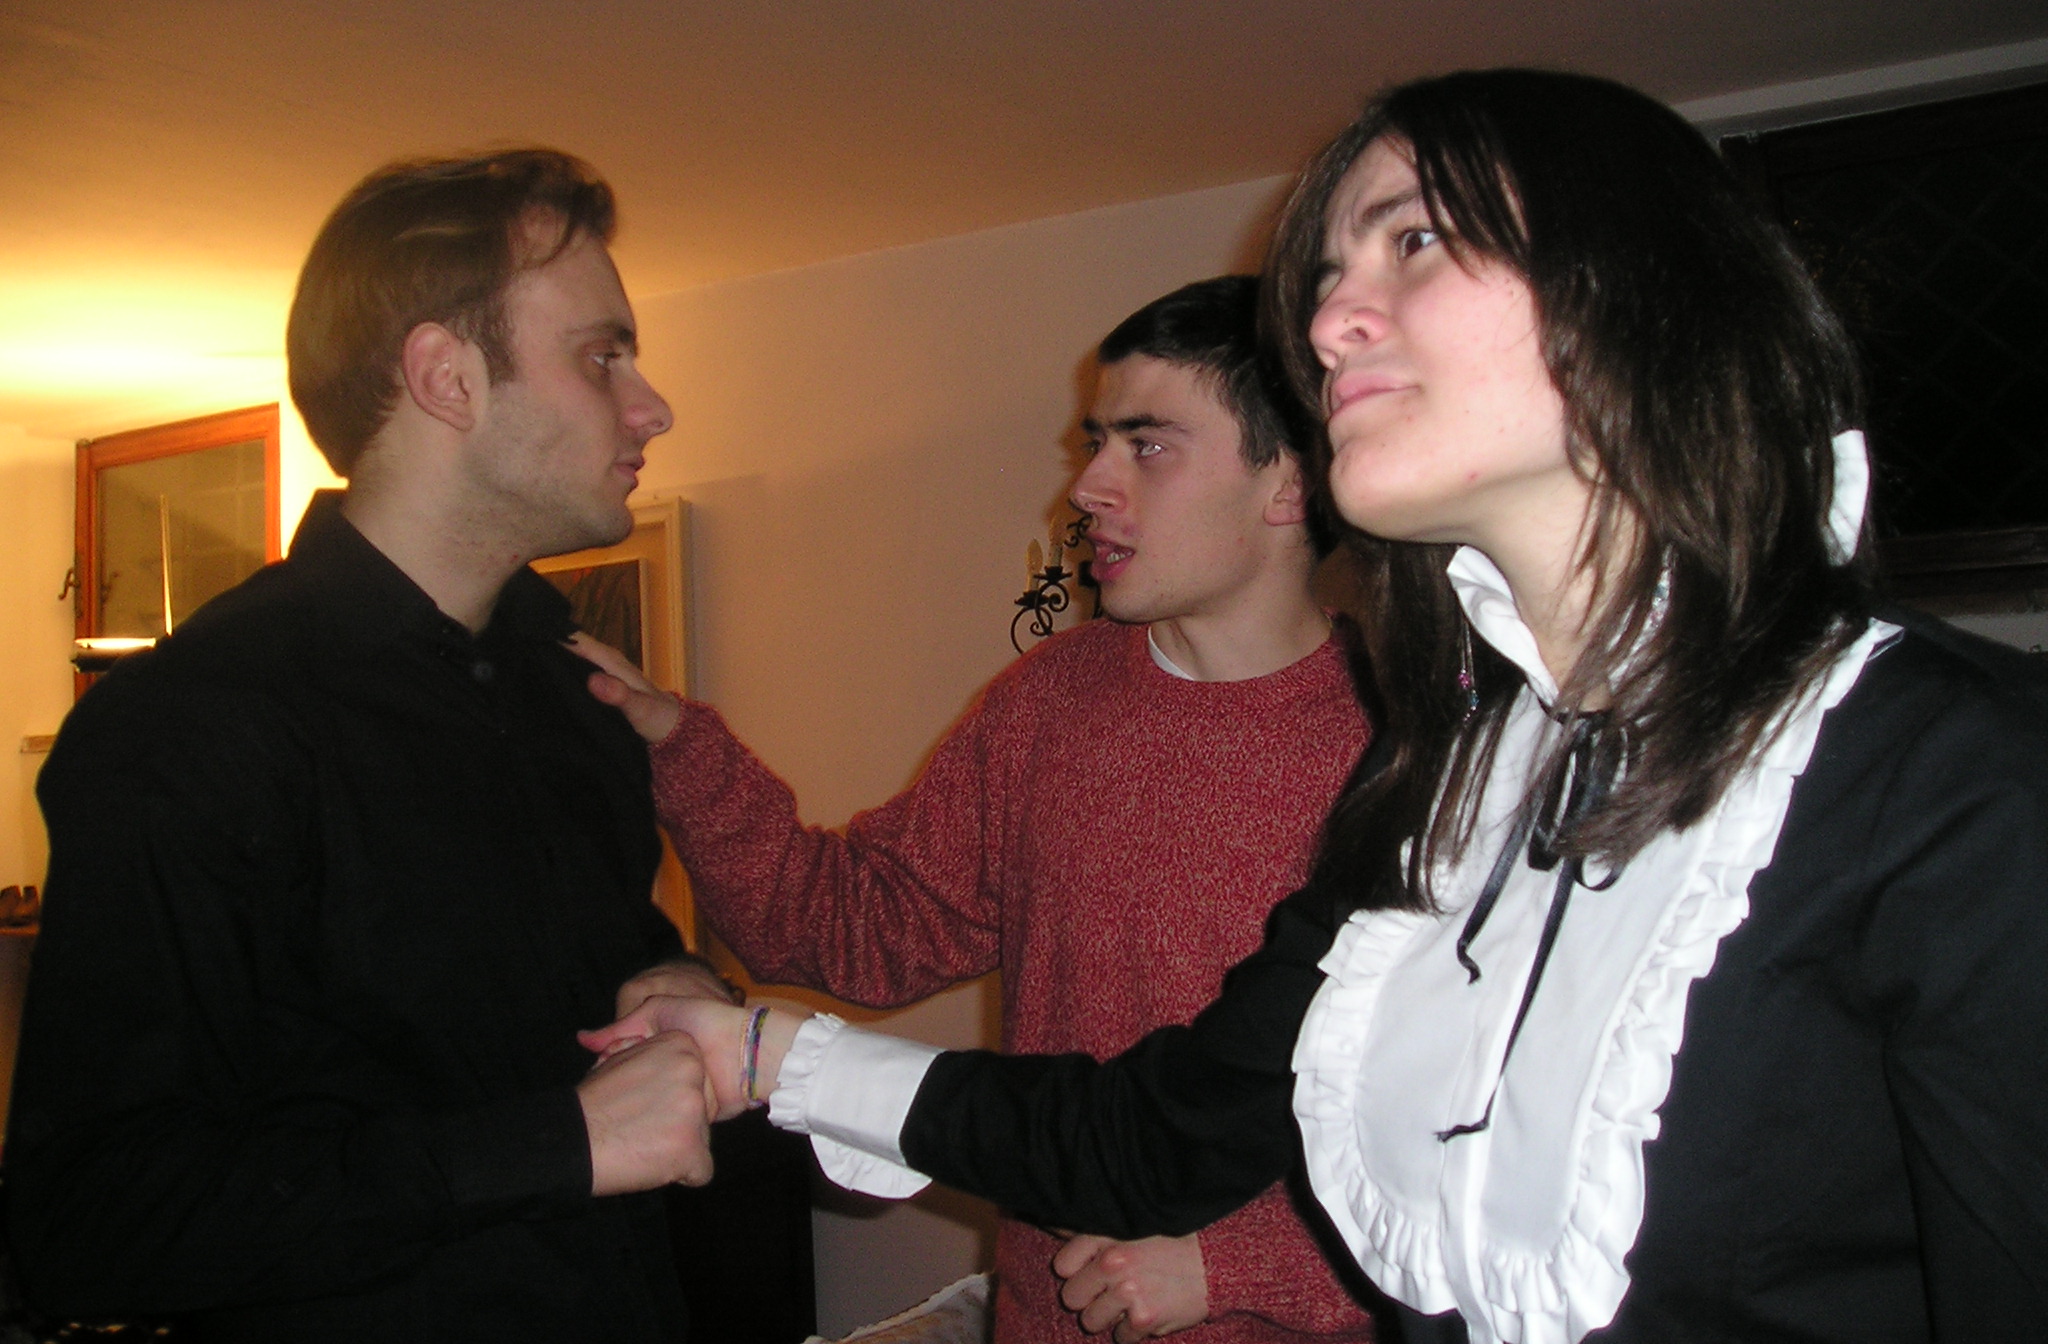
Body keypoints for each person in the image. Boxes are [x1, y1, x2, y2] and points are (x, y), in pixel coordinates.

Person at [593, 71, 2048, 1344]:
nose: (1331, 320)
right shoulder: (1447, 787)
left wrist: (1229, 1271)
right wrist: (763, 1052)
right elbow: (1150, 1133)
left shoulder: (1961, 776)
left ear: (1640, 288)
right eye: (1328, 273)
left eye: (1410, 239)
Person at [5, 149, 734, 1341]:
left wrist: (681, 985)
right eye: (602, 356)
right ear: (446, 377)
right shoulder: (190, 726)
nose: (651, 407)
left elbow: (601, 963)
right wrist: (557, 1143)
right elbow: (91, 1224)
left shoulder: (573, 698)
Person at [577, 277, 1378, 1343]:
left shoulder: (1404, 751)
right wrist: (678, 746)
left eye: (1147, 446)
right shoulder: (1050, 702)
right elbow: (850, 926)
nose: (1086, 486)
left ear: (1289, 483)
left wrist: (1240, 1264)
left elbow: (1486, 1143)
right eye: (1095, 442)